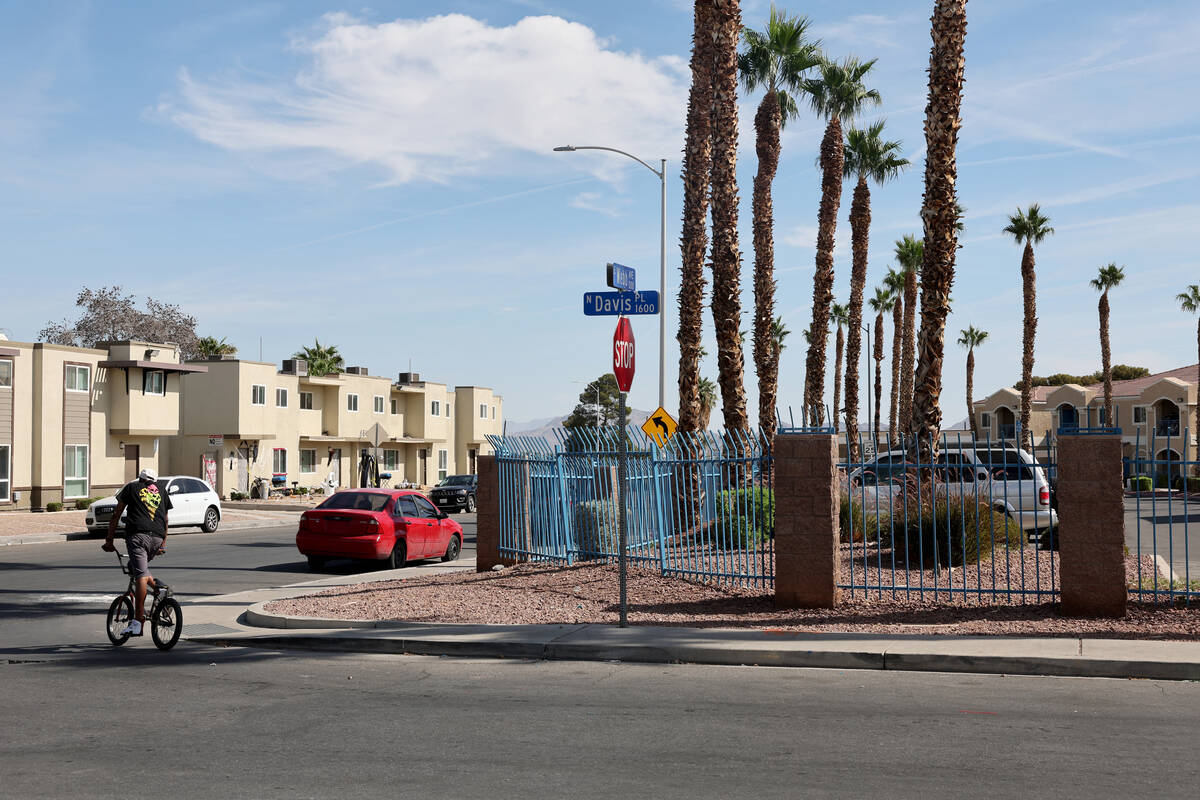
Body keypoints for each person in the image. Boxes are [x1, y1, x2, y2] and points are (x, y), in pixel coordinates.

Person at [101, 467, 172, 636]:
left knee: (140, 575)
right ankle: (160, 591)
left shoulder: (132, 487)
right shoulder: (162, 490)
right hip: (157, 538)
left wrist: (109, 541)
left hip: (138, 537)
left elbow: (116, 514)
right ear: (154, 481)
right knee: (139, 568)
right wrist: (162, 544)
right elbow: (166, 519)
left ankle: (138, 620)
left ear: (140, 479)